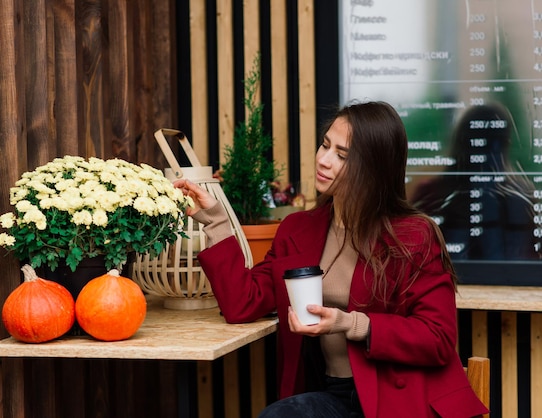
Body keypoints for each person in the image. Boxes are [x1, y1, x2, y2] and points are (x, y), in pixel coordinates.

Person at [175, 101, 489, 418]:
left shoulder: (414, 235)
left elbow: (437, 338)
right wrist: (214, 219)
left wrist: (350, 324)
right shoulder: (298, 229)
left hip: (403, 402)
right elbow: (243, 302)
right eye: (325, 145)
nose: (324, 161)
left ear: (375, 168)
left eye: (342, 156)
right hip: (333, 395)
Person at [410, 103, 542, 260]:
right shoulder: (523, 198)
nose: (490, 152)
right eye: (484, 143)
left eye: (495, 143)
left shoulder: (432, 195)